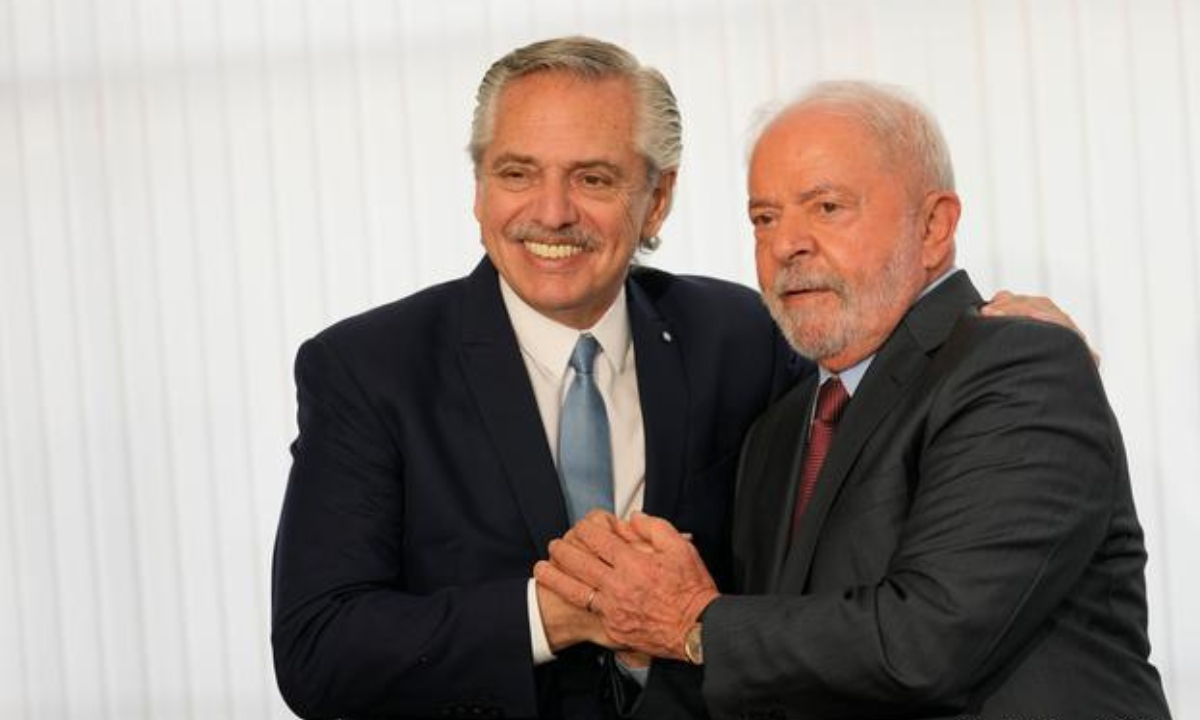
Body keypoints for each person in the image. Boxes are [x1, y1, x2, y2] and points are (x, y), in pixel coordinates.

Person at [271, 36, 1085, 719]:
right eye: (517, 173)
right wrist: (549, 616)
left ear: (657, 199)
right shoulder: (368, 368)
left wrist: (1006, 337)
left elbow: (894, 422)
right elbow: (317, 650)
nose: (550, 212)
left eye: (593, 178)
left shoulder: (746, 336)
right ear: (479, 188)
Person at [536, 81, 1172, 719]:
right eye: (764, 218)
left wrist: (690, 623)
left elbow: (926, 643)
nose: (786, 244)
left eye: (827, 207)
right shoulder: (780, 430)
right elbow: (771, 674)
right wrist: (642, 634)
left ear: (934, 226)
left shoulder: (1020, 365)